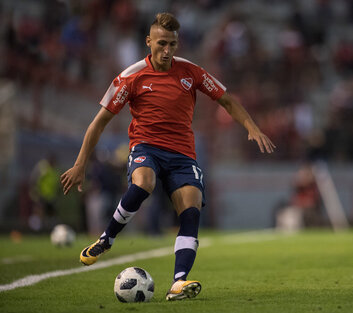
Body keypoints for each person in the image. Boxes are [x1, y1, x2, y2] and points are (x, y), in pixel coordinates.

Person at [60, 12, 275, 301]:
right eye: (161, 43)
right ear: (148, 41)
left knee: (191, 208)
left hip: (183, 154)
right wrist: (80, 164)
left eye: (172, 44)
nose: (167, 50)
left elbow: (226, 99)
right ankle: (106, 238)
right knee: (144, 182)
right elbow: (99, 122)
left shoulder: (191, 72)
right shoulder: (131, 76)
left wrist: (251, 127)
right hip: (146, 148)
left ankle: (178, 282)